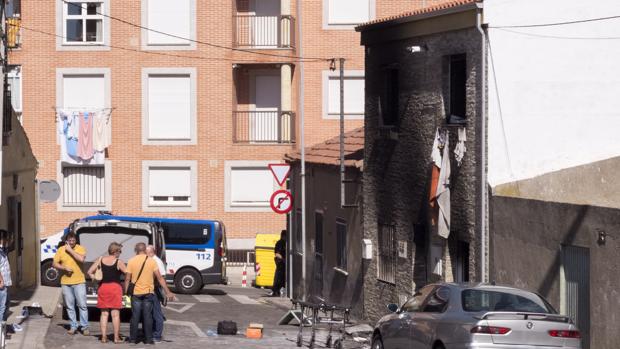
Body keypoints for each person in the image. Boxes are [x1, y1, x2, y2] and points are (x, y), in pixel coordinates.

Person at [125, 243, 174, 345]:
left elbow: (127, 278)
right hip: (148, 293)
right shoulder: (152, 261)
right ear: (144, 250)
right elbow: (160, 278)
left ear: (136, 250)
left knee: (135, 316)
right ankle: (148, 340)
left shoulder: (131, 261)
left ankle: (133, 340)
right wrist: (168, 292)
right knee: (148, 317)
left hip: (136, 293)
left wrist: (126, 292)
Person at [87, 242, 127, 343]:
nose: (120, 253)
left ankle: (104, 337)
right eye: (120, 251)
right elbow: (128, 273)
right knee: (115, 314)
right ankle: (116, 338)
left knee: (104, 314)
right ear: (115, 251)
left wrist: (95, 279)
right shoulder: (118, 262)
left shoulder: (100, 260)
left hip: (103, 287)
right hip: (115, 288)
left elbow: (89, 272)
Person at [53, 232, 89, 335]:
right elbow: (54, 263)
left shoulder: (80, 248)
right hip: (66, 282)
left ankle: (84, 327)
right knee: (69, 306)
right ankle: (73, 326)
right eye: (70, 241)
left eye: (73, 240)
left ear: (76, 240)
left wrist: (70, 250)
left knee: (82, 305)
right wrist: (64, 268)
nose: (72, 242)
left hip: (79, 282)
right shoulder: (61, 250)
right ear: (66, 241)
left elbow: (81, 259)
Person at [146, 245, 166, 343]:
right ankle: (152, 332)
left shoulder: (156, 261)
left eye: (146, 252)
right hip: (151, 289)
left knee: (157, 313)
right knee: (151, 312)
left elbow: (161, 277)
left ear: (151, 252)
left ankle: (157, 335)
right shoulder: (151, 260)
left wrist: (166, 291)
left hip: (155, 289)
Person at [0, 229, 13, 323]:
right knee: (2, 307)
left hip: (6, 282)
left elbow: (10, 245)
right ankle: (0, 330)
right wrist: (1, 281)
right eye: (6, 238)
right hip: (2, 283)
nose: (8, 240)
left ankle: (3, 328)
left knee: (6, 305)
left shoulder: (4, 249)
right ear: (2, 239)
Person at [272, 230, 287, 297]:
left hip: (285, 263)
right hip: (281, 263)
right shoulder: (280, 243)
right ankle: (276, 291)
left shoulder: (287, 242)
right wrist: (284, 260)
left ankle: (280, 290)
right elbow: (277, 254)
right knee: (279, 277)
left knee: (283, 277)